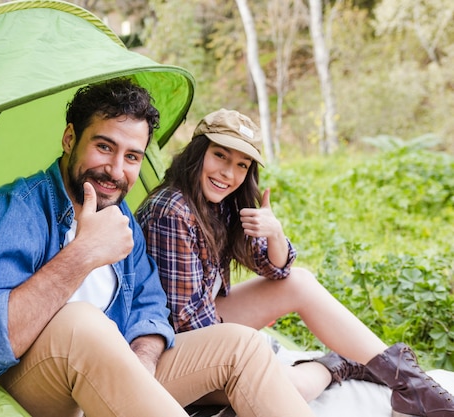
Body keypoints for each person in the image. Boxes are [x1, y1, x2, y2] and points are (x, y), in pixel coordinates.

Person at [0, 79, 317, 417]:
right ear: (70, 138)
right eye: (104, 146)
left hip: (111, 379)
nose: (115, 170)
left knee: (243, 345)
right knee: (80, 321)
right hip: (41, 389)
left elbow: (150, 305)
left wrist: (143, 360)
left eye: (132, 157)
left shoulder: (120, 216)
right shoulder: (18, 208)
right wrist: (83, 254)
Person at [136, 108, 454, 417]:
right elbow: (187, 322)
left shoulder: (219, 203)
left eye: (242, 165)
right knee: (286, 387)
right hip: (168, 344)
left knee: (299, 282)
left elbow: (279, 271)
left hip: (202, 323)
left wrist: (275, 232)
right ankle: (334, 364)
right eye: (220, 156)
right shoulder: (173, 212)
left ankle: (413, 386)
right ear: (198, 152)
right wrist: (252, 352)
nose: (229, 174)